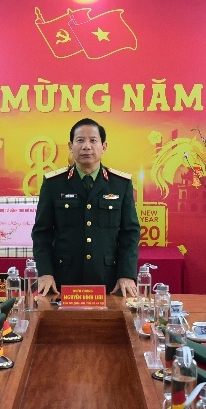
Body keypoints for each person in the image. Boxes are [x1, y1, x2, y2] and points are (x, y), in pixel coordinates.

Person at [31, 117, 141, 297]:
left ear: (104, 147)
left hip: (109, 280)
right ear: (71, 146)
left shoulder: (120, 184)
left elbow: (130, 233)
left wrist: (126, 274)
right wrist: (45, 272)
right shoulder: (54, 184)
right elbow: (42, 232)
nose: (86, 146)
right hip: (62, 280)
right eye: (80, 140)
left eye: (93, 140)